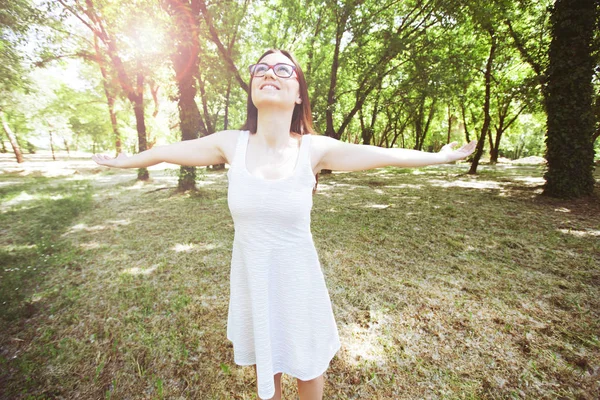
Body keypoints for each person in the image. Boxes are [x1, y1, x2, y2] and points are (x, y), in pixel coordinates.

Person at [92, 49, 476, 400]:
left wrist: (438, 157)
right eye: (260, 68)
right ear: (253, 87)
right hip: (253, 281)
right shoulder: (231, 144)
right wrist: (126, 160)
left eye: (282, 69)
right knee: (267, 361)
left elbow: (384, 156)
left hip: (299, 283)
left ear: (297, 94)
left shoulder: (314, 149)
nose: (268, 73)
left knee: (308, 365)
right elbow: (166, 152)